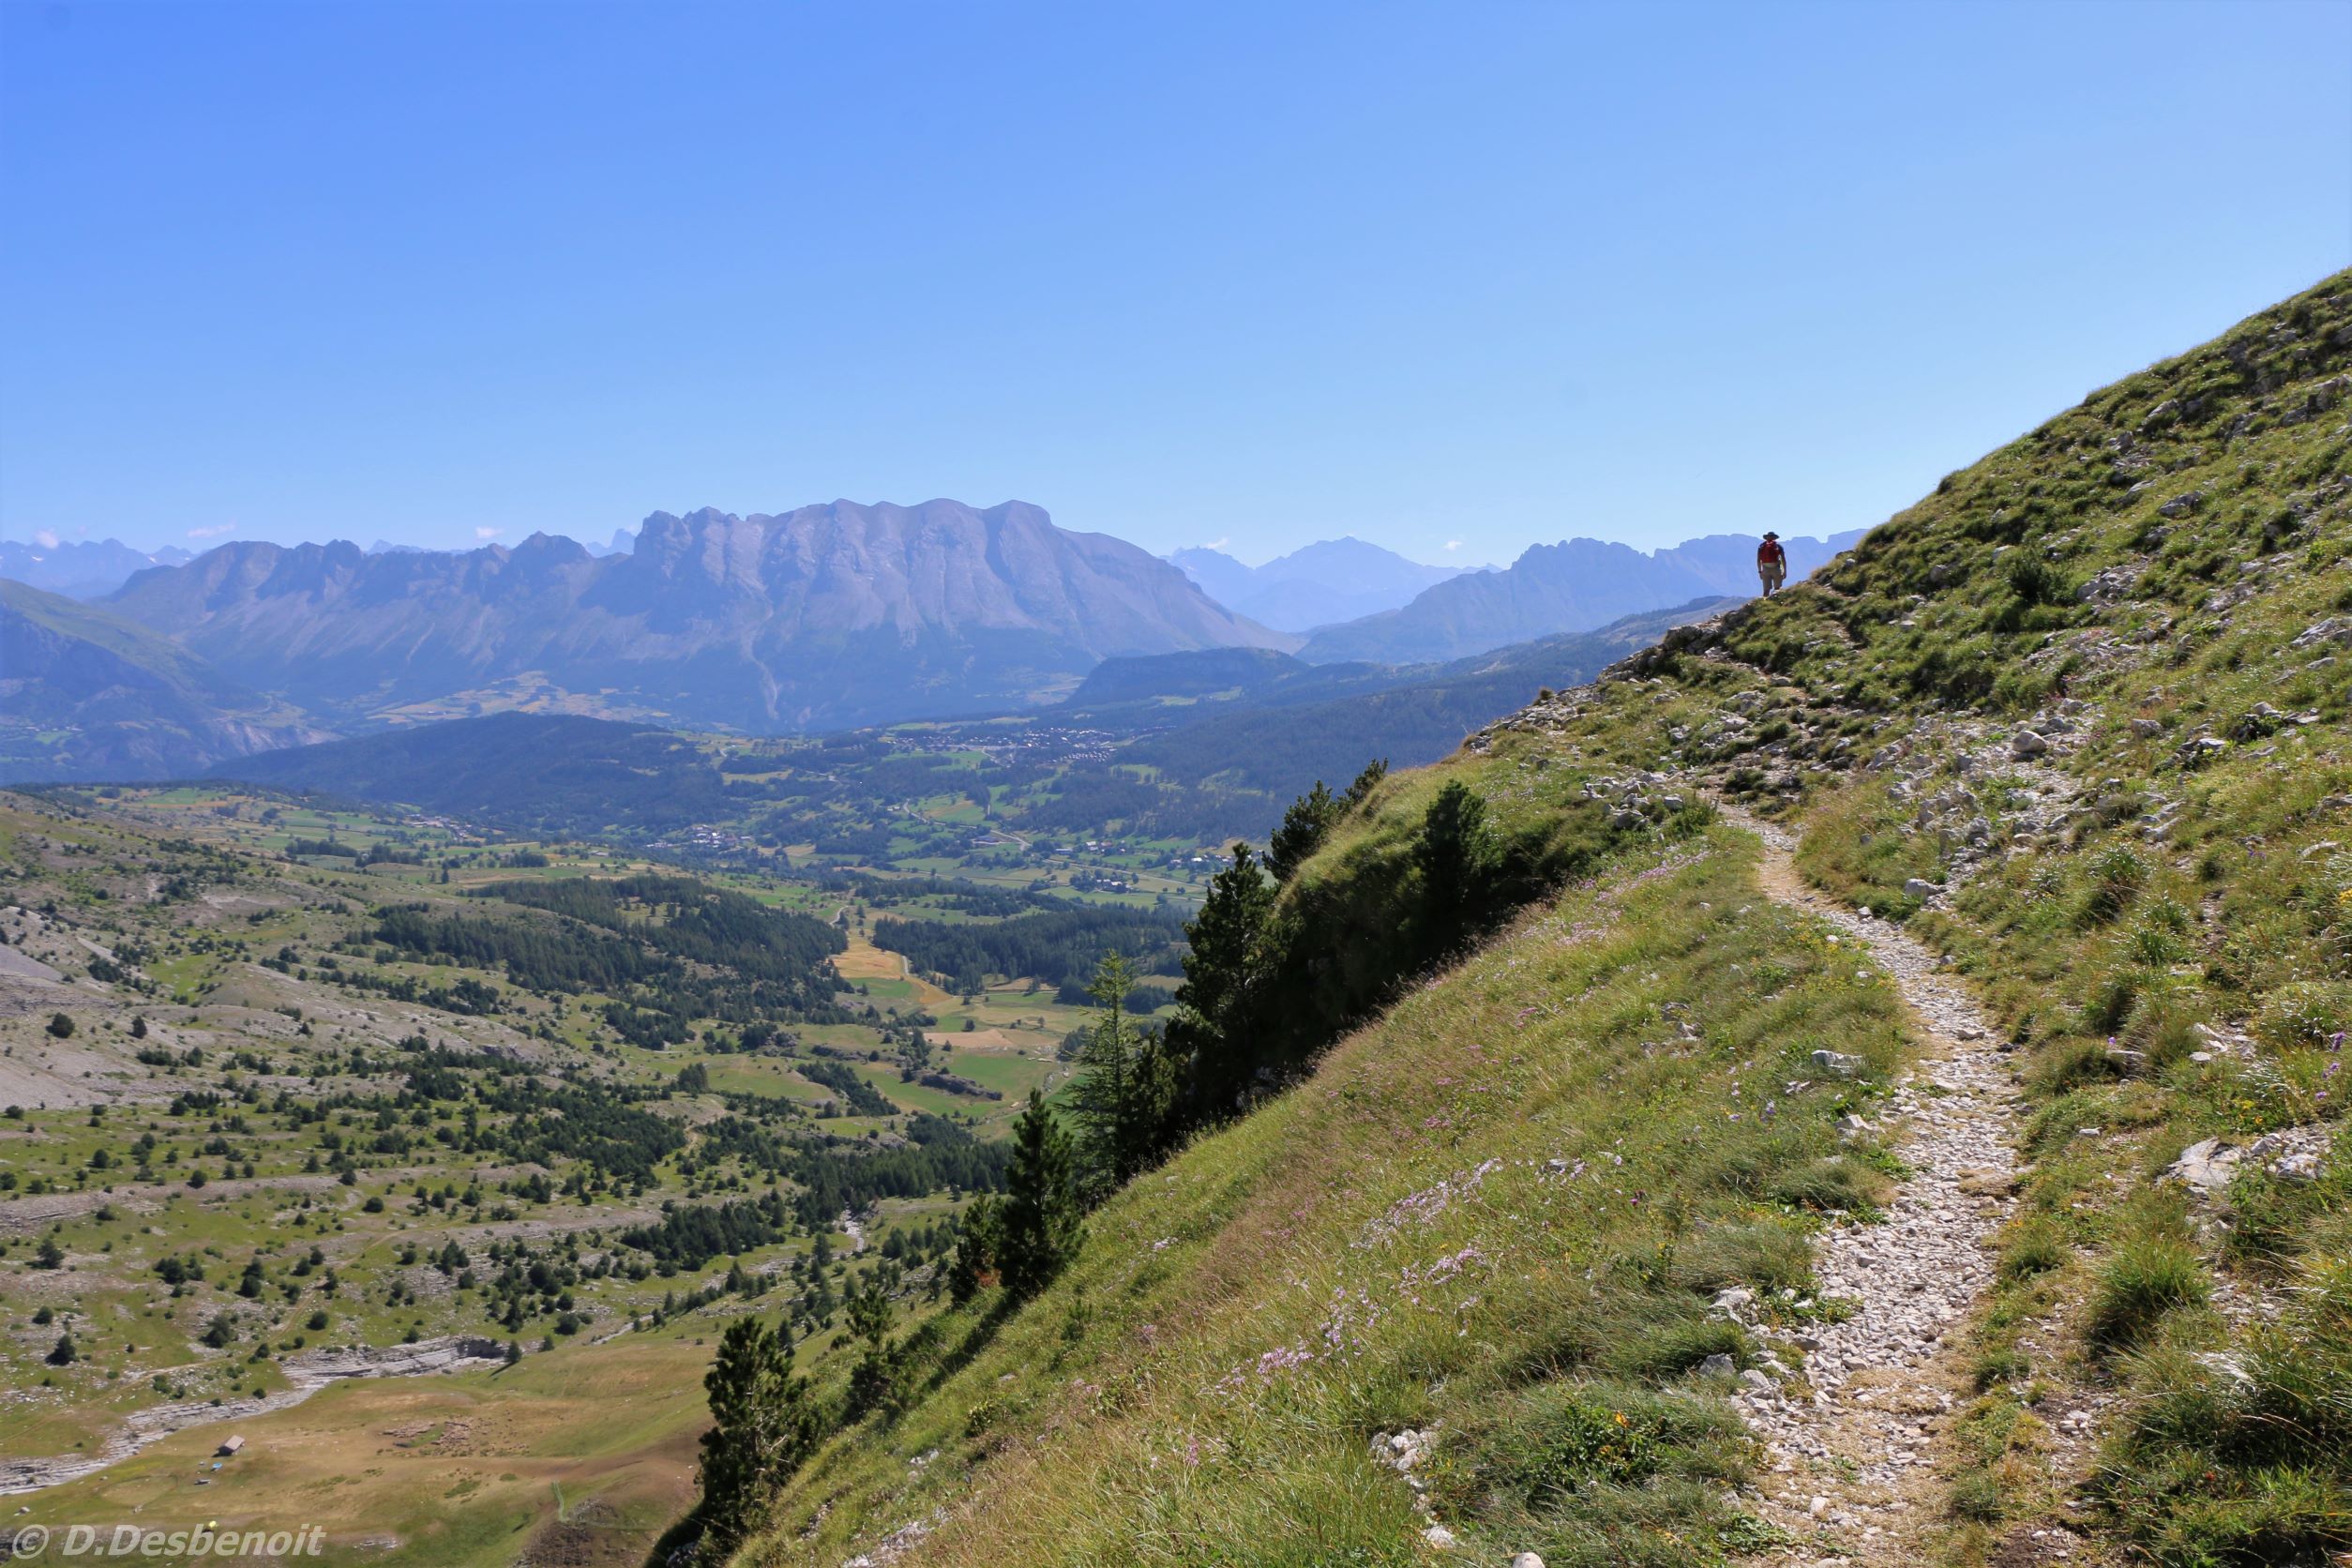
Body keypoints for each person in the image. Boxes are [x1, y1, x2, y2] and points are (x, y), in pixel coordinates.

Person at [1756, 532, 1787, 596]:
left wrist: (1760, 571)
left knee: (1766, 589)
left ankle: (1764, 603)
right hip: (1776, 568)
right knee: (1777, 588)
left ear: (1766, 538)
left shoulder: (1761, 546)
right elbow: (1783, 559)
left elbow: (1758, 560)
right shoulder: (1778, 546)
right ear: (1775, 538)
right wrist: (1784, 571)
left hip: (1765, 569)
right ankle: (1776, 602)